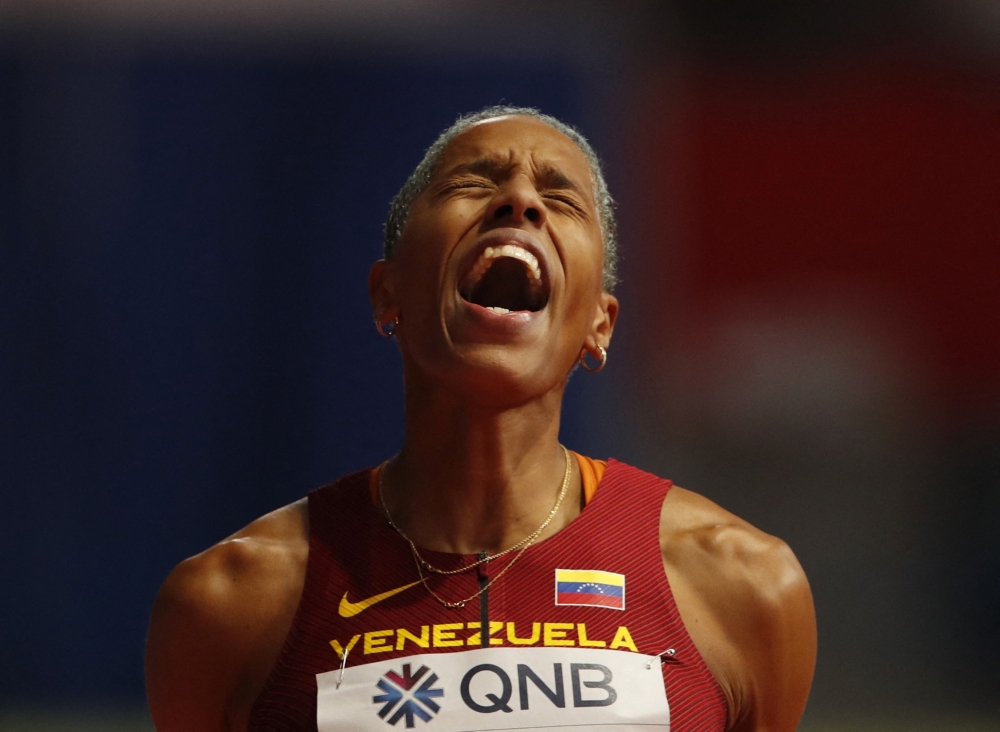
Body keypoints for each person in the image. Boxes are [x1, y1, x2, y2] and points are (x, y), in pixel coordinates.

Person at [145, 106, 816, 732]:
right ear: (389, 294)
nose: (519, 201)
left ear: (598, 326)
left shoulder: (740, 585)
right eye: (473, 182)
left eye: (558, 199)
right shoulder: (230, 605)